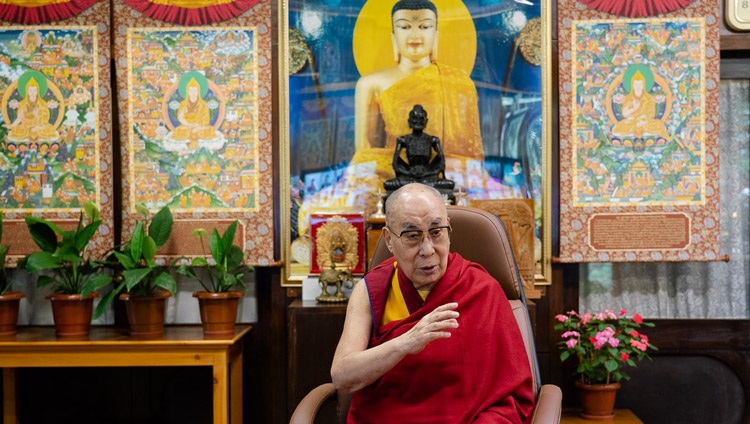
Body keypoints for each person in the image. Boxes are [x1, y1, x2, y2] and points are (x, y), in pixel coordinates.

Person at [331, 183, 534, 423]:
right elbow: (342, 375)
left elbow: (511, 395)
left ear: (449, 231)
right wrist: (407, 342)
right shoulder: (373, 290)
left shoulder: (482, 290)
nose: (427, 250)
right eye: (412, 236)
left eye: (437, 232)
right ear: (388, 239)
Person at [611, 67, 669, 139]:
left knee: (658, 125)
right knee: (620, 126)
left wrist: (643, 119)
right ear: (632, 85)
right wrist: (634, 108)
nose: (638, 87)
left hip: (645, 122)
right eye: (636, 84)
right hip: (631, 122)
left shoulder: (649, 98)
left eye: (640, 84)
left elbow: (652, 114)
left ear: (643, 85)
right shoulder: (628, 98)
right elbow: (624, 114)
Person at [4, 71, 60, 143]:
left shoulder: (42, 103)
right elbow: (19, 118)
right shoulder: (23, 103)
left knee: (49, 129)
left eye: (34, 90)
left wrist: (38, 126)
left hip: (39, 126)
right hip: (26, 127)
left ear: (38, 91)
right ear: (27, 91)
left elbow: (45, 119)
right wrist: (12, 125)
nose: (32, 92)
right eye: (30, 90)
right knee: (18, 130)